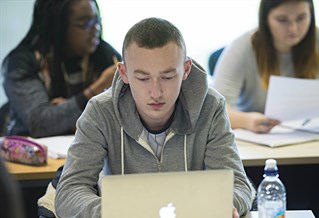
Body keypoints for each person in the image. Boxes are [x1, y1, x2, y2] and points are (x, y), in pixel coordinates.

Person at [55, 17, 254, 218]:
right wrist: (114, 212)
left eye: (167, 77)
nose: (156, 92)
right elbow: (69, 192)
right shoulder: (100, 112)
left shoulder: (210, 107)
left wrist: (221, 205)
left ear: (185, 70)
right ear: (123, 73)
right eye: (143, 78)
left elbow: (239, 185)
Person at [2, 0, 121, 138]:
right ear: (58, 25)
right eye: (85, 22)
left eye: (97, 19)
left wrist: (66, 111)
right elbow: (40, 123)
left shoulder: (104, 53)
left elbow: (129, 111)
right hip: (27, 150)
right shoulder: (23, 62)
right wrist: (97, 88)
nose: (96, 28)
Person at [212, 0, 319, 133]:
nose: (293, 28)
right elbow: (215, 110)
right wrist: (247, 121)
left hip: (309, 136)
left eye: (301, 18)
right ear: (265, 19)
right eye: (282, 19)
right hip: (255, 140)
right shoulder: (242, 47)